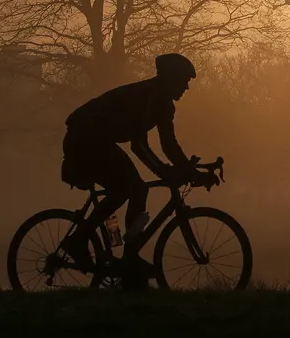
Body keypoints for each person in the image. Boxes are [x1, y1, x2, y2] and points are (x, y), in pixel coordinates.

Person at [59, 53, 198, 288]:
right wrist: (165, 171)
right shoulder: (147, 98)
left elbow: (169, 144)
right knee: (132, 189)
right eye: (183, 80)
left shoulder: (162, 104)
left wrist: (188, 170)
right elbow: (139, 145)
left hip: (99, 139)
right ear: (169, 79)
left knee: (131, 190)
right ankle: (82, 241)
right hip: (84, 138)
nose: (186, 87)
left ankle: (125, 261)